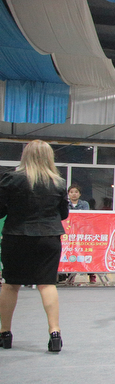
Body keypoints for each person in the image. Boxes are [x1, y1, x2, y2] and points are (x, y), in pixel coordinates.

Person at [0, 141, 69, 352]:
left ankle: (5, 333)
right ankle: (55, 333)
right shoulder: (58, 182)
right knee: (47, 284)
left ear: (25, 156)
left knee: (10, 284)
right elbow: (63, 214)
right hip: (48, 238)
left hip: (16, 236)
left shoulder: (10, 179)